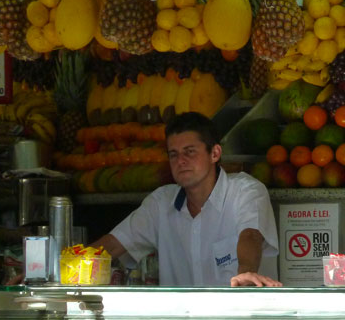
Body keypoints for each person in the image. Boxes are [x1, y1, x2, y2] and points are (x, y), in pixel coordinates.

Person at [91, 112, 281, 287]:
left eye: (190, 151)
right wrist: (77, 264)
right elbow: (112, 246)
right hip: (182, 315)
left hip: (242, 313)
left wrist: (246, 272)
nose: (180, 161)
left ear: (215, 153)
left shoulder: (246, 191)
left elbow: (251, 235)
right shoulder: (160, 203)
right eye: (173, 154)